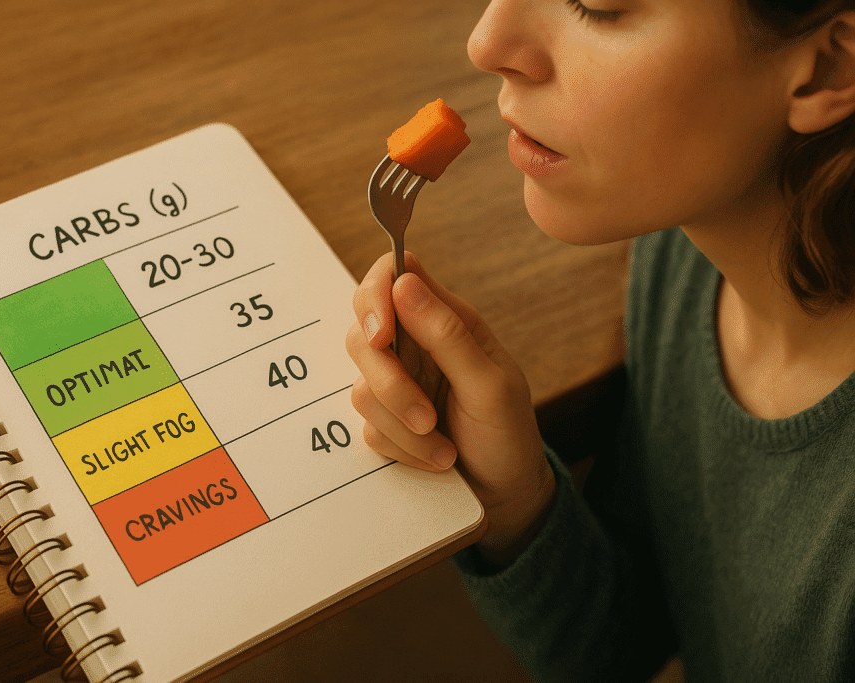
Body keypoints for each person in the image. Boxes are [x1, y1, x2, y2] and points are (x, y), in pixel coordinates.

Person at [346, 1, 855, 681]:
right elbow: (628, 638)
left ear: (829, 68)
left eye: (597, 4)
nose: (487, 41)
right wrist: (516, 500)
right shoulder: (686, 252)